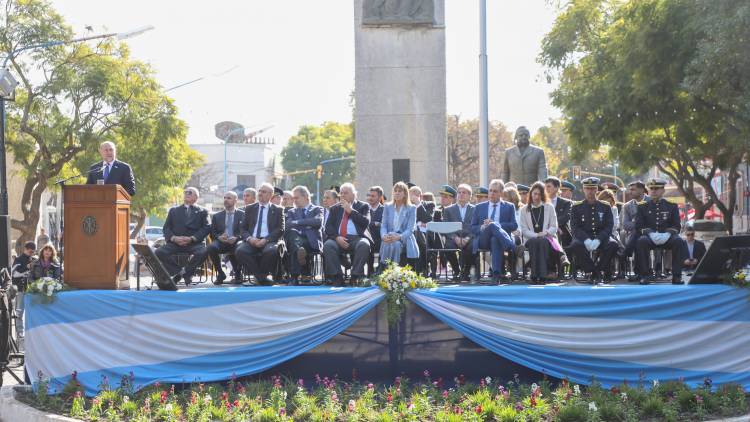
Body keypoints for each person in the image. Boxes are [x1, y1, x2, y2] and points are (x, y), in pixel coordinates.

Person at [155, 187, 211, 286]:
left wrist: (192, 238)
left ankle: (187, 273)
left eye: (190, 192)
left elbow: (206, 228)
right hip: (176, 243)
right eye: (185, 192)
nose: (187, 194)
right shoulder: (174, 210)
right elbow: (166, 228)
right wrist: (174, 238)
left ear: (196, 197)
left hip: (194, 243)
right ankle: (180, 272)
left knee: (204, 251)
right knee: (159, 252)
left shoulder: (203, 211)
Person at [569, 177, 619, 283]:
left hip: (601, 236)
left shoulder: (605, 206)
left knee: (613, 244)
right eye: (587, 188)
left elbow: (609, 226)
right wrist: (586, 239)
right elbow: (574, 227)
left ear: (597, 190)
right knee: (575, 245)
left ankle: (598, 270)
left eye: (592, 188)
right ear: (583, 189)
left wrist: (599, 239)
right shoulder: (576, 207)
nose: (590, 191)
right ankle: (592, 271)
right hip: (583, 237)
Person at [634, 178, 684, 285]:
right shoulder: (643, 206)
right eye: (651, 188)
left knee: (679, 241)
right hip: (650, 237)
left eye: (656, 188)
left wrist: (668, 233)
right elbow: (639, 225)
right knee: (641, 241)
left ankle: (677, 276)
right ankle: (645, 275)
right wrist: (650, 233)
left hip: (667, 237)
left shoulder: (672, 205)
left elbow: (677, 225)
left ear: (663, 190)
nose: (653, 191)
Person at [323, 183, 372, 285]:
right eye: (341, 193)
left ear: (354, 194)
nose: (343, 195)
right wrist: (337, 238)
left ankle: (355, 276)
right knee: (328, 245)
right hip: (339, 238)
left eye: (346, 193)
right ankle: (337, 277)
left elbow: (365, 222)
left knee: (364, 244)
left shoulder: (363, 206)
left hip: (356, 238)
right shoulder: (335, 208)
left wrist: (350, 211)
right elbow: (328, 227)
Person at [236, 183, 285, 285]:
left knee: (272, 251)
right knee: (240, 251)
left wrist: (265, 239)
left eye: (264, 192)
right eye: (260, 191)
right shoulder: (250, 208)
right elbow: (242, 228)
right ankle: (261, 278)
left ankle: (259, 277)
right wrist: (250, 239)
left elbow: (280, 229)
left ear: (270, 195)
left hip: (268, 240)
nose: (260, 194)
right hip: (251, 240)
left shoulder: (278, 209)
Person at [471, 179, 518, 283]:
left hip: (499, 239)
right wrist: (483, 226)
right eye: (490, 190)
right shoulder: (479, 207)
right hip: (483, 239)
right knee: (491, 227)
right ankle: (512, 246)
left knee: (495, 239)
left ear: (501, 193)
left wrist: (496, 224)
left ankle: (496, 275)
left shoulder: (509, 207)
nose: (491, 193)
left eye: (495, 191)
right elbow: (473, 227)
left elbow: (514, 225)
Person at [519, 182, 560, 283]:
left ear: (543, 195)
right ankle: (534, 274)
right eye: (534, 194)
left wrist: (545, 233)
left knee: (542, 242)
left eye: (539, 194)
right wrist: (536, 235)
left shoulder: (549, 207)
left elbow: (554, 227)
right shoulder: (524, 210)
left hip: (547, 238)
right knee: (535, 241)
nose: (536, 197)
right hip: (530, 239)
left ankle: (542, 275)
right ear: (531, 194)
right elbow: (524, 230)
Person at [284, 186, 323, 284]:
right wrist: (308, 224)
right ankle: (303, 273)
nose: (294, 200)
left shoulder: (317, 209)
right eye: (293, 198)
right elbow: (288, 225)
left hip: (311, 242)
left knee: (295, 245)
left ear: (305, 196)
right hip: (296, 239)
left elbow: (317, 222)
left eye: (296, 198)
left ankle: (294, 277)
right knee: (293, 236)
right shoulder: (291, 211)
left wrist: (297, 222)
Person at [207, 191, 245, 285]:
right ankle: (220, 273)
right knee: (211, 247)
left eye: (229, 198)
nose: (226, 200)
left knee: (241, 248)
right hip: (222, 242)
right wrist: (219, 237)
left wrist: (236, 238)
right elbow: (212, 232)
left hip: (237, 241)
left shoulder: (243, 215)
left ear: (235, 200)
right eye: (225, 198)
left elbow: (245, 231)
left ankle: (238, 274)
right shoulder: (217, 216)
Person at [443, 184, 477, 281]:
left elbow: (476, 227)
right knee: (448, 247)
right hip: (454, 237)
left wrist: (468, 238)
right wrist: (455, 237)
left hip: (469, 238)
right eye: (459, 192)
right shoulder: (448, 210)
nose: (461, 194)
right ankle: (456, 270)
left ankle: (466, 271)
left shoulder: (475, 209)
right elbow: (446, 227)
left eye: (464, 193)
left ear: (470, 196)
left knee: (472, 246)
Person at [379, 182, 418, 266]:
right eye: (395, 191)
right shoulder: (387, 206)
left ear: (405, 193)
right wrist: (384, 236)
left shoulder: (411, 208)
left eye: (399, 191)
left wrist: (399, 237)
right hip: (389, 236)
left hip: (404, 238)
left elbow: (410, 229)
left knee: (396, 244)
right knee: (387, 243)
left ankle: (392, 269)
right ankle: (384, 268)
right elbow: (384, 225)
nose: (397, 193)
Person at [621, 181, 649, 278]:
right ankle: (640, 272)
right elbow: (625, 225)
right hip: (634, 234)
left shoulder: (651, 202)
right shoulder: (627, 206)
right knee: (638, 238)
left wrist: (636, 224)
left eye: (633, 190)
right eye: (630, 190)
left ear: (641, 190)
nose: (630, 192)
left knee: (639, 238)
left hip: (650, 233)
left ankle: (625, 254)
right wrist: (640, 225)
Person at [11, 241, 35, 341]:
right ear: (25, 249)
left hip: (31, 290)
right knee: (19, 312)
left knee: (31, 312)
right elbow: (14, 274)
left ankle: (31, 332)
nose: (31, 253)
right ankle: (20, 333)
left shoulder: (33, 259)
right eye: (30, 251)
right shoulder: (18, 259)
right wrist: (26, 268)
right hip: (20, 289)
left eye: (33, 251)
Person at [410, 184, 436, 277]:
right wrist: (419, 224)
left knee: (419, 237)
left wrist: (418, 204)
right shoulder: (407, 206)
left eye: (413, 195)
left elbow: (428, 219)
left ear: (420, 196)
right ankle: (417, 270)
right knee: (416, 236)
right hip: (410, 234)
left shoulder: (429, 205)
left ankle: (421, 270)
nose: (411, 198)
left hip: (427, 236)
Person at [366, 186, 385, 274]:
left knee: (385, 244)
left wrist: (379, 224)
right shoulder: (364, 208)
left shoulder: (385, 210)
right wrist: (374, 224)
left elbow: (385, 225)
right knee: (365, 244)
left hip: (381, 238)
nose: (370, 198)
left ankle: (380, 271)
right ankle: (369, 273)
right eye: (369, 195)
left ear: (380, 197)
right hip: (367, 238)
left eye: (373, 196)